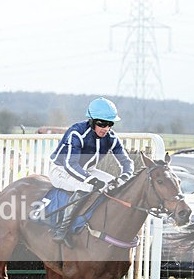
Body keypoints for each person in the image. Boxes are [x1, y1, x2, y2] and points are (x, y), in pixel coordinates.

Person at [48, 97, 134, 247]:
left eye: (110, 124)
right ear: (92, 121)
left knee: (114, 185)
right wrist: (90, 180)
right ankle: (62, 230)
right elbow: (70, 164)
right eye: (101, 123)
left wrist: (124, 176)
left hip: (87, 170)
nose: (105, 128)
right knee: (86, 187)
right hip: (61, 169)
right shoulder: (76, 132)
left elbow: (127, 162)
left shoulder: (111, 137)